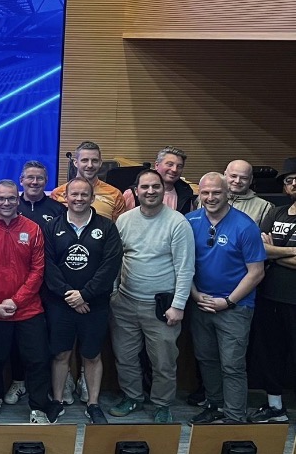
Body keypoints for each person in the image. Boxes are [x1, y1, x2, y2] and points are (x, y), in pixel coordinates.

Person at [109, 169, 195, 423]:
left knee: (163, 362)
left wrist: (178, 305)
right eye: (144, 187)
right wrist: (114, 294)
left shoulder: (178, 222)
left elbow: (185, 267)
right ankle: (132, 397)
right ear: (136, 191)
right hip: (124, 302)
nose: (150, 191)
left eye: (155, 186)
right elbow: (115, 261)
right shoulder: (124, 220)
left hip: (162, 306)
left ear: (163, 189)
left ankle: (161, 404)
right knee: (124, 357)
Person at [186, 173, 266, 424]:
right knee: (206, 359)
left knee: (232, 365)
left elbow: (256, 272)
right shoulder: (189, 221)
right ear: (199, 194)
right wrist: (196, 295)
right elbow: (182, 265)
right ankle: (215, 405)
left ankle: (234, 417)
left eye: (216, 193)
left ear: (227, 193)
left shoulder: (245, 226)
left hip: (235, 307)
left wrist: (228, 301)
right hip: (201, 303)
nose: (210, 198)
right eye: (205, 193)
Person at [42, 178, 122, 424]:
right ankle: (57, 401)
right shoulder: (52, 226)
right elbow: (47, 265)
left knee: (92, 355)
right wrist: (70, 295)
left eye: (83, 194)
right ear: (65, 197)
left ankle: (93, 403)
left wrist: (85, 295)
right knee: (60, 354)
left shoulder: (107, 228)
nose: (78, 199)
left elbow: (110, 265)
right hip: (60, 303)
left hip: (94, 304)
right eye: (73, 194)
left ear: (91, 197)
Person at [0, 180, 54, 424]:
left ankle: (38, 407)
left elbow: (37, 270)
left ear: (18, 200)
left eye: (10, 198)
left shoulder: (32, 228)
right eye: (0, 199)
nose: (6, 203)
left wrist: (16, 301)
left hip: (29, 310)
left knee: (38, 359)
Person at [249, 161, 296, 423]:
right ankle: (275, 408)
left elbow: (269, 251)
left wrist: (274, 253)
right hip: (269, 295)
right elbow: (260, 249)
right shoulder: (276, 212)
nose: (293, 184)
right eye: (289, 180)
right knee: (270, 353)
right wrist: (288, 252)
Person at [51, 141, 127, 221]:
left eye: (94, 161)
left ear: (100, 163)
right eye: (84, 160)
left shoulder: (115, 194)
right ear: (76, 163)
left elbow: (118, 229)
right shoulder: (57, 194)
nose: (90, 165)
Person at [123, 147, 194, 213]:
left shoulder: (186, 194)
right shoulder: (132, 194)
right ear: (157, 165)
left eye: (179, 166)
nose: (174, 170)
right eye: (170, 164)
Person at [222, 159, 275, 228]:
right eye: (233, 176)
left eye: (244, 178)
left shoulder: (264, 207)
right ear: (225, 175)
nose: (237, 181)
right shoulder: (208, 199)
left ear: (251, 180)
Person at [17, 161, 66, 229]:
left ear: (46, 182)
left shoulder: (59, 210)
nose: (35, 182)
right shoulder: (11, 207)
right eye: (30, 177)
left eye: (40, 178)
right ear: (21, 181)